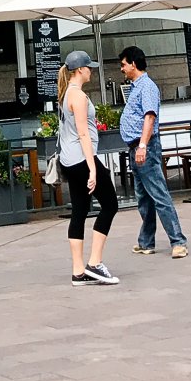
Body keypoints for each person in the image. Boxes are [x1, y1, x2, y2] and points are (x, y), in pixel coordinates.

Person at [56, 50, 120, 285]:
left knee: (80, 211)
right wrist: (93, 169)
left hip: (69, 160)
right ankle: (94, 263)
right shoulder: (78, 97)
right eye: (89, 67)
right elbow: (83, 133)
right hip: (82, 159)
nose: (91, 70)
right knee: (110, 204)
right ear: (80, 70)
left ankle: (78, 271)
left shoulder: (65, 94)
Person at [118, 46, 188, 257]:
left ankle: (178, 241)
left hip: (143, 147)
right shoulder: (136, 86)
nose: (121, 69)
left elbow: (150, 117)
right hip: (137, 147)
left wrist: (142, 145)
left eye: (123, 64)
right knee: (144, 197)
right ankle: (147, 241)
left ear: (133, 63)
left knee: (158, 194)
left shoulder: (146, 86)